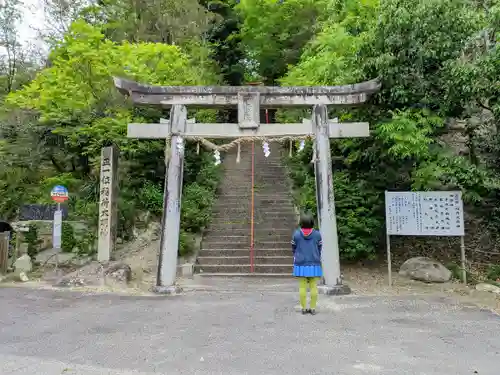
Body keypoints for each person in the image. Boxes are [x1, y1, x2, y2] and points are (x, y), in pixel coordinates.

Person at [291, 213, 322, 315]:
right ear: (312, 222)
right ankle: (313, 308)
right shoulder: (317, 234)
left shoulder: (296, 234)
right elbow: (319, 248)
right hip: (314, 263)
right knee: (313, 286)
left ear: (301, 222)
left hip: (300, 264)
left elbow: (293, 248)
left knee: (302, 287)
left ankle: (304, 308)